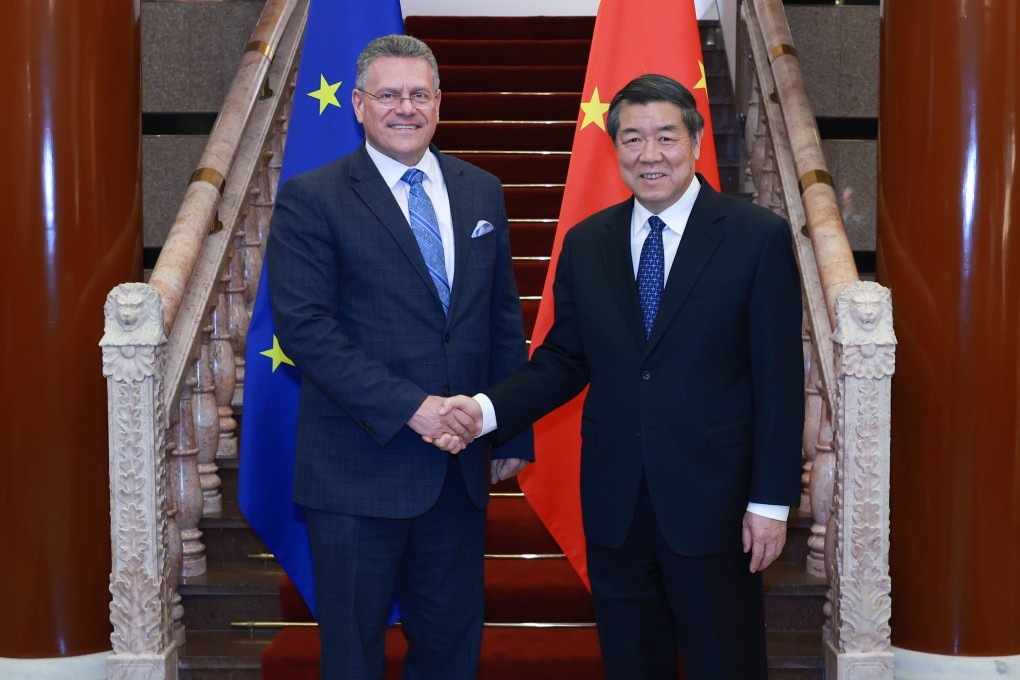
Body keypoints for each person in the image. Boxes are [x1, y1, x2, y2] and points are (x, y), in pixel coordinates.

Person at [434, 74, 804, 679]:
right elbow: (564, 360)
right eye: (632, 139)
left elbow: (779, 380)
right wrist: (485, 411)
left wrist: (770, 502)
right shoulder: (588, 243)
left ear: (697, 139)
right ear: (615, 148)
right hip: (616, 506)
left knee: (726, 663)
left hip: (718, 506)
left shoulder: (754, 237)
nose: (649, 155)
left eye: (666, 137)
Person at [266, 34, 533, 680]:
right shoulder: (314, 197)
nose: (405, 107)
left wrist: (510, 426)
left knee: (450, 649)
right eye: (388, 94)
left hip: (459, 469)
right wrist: (413, 408)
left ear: (439, 103)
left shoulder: (481, 191)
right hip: (358, 470)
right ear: (358, 105)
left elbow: (500, 317)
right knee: (354, 656)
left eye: (419, 94)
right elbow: (307, 330)